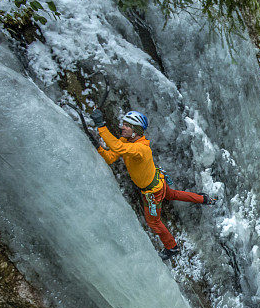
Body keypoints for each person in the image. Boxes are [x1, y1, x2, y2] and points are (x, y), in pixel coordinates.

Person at [90, 109, 214, 260]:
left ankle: (172, 247)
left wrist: (101, 126)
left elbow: (118, 148)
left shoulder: (141, 148)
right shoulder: (126, 141)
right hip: (158, 182)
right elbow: (111, 157)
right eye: (123, 124)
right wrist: (98, 147)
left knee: (153, 222)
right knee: (172, 194)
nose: (122, 127)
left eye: (127, 126)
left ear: (135, 131)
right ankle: (203, 199)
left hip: (152, 192)